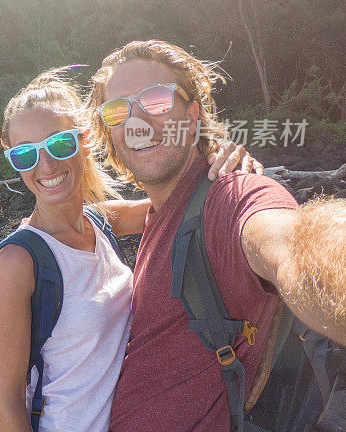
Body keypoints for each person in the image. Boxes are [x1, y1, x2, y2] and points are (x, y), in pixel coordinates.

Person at [82, 40, 346, 431]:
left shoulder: (230, 196)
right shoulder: (161, 210)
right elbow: (92, 217)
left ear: (191, 115)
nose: (137, 122)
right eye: (118, 110)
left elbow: (294, 243)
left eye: (156, 100)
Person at [0, 68, 259, 432]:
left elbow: (179, 196)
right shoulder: (18, 262)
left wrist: (221, 159)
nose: (46, 166)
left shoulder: (101, 222)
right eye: (25, 155)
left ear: (84, 140)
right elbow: (7, 402)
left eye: (60, 144)